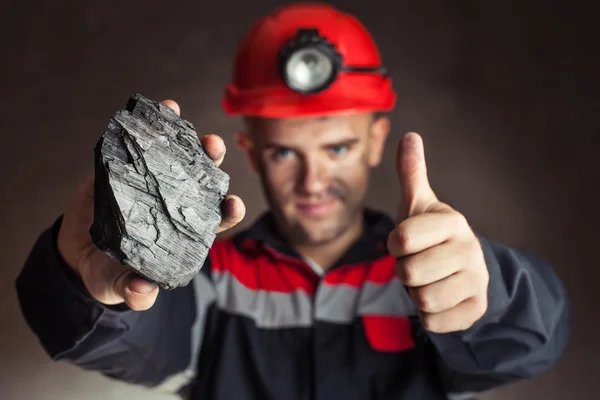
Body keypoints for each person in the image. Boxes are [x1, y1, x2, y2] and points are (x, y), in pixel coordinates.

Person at [16, 3, 571, 400]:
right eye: (284, 154)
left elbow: (533, 340)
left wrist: (493, 292)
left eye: (337, 147)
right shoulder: (211, 278)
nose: (312, 181)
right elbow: (132, 346)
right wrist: (81, 280)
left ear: (376, 139)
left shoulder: (431, 272)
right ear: (250, 153)